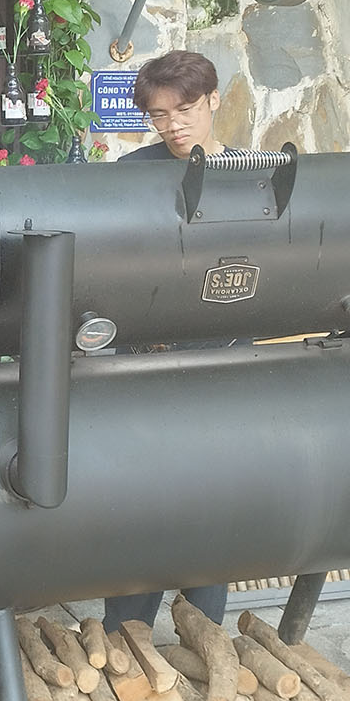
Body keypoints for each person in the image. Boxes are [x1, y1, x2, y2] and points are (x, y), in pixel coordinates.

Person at [105, 50, 235, 632]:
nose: (174, 124)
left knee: (213, 507)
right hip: (143, 371)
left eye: (185, 109)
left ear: (213, 102)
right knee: (140, 508)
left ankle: (202, 638)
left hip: (221, 369)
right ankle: (126, 636)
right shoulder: (133, 175)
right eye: (159, 116)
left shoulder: (249, 177)